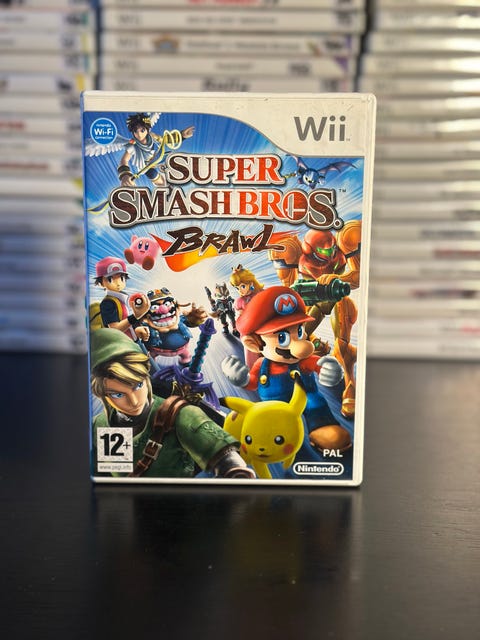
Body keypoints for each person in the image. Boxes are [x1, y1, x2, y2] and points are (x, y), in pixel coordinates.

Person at [91, 328, 254, 479]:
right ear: (102, 395)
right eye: (118, 394)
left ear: (146, 377)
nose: (134, 402)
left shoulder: (178, 414)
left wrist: (233, 473)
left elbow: (227, 459)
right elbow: (106, 476)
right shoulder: (102, 424)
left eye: (138, 385)